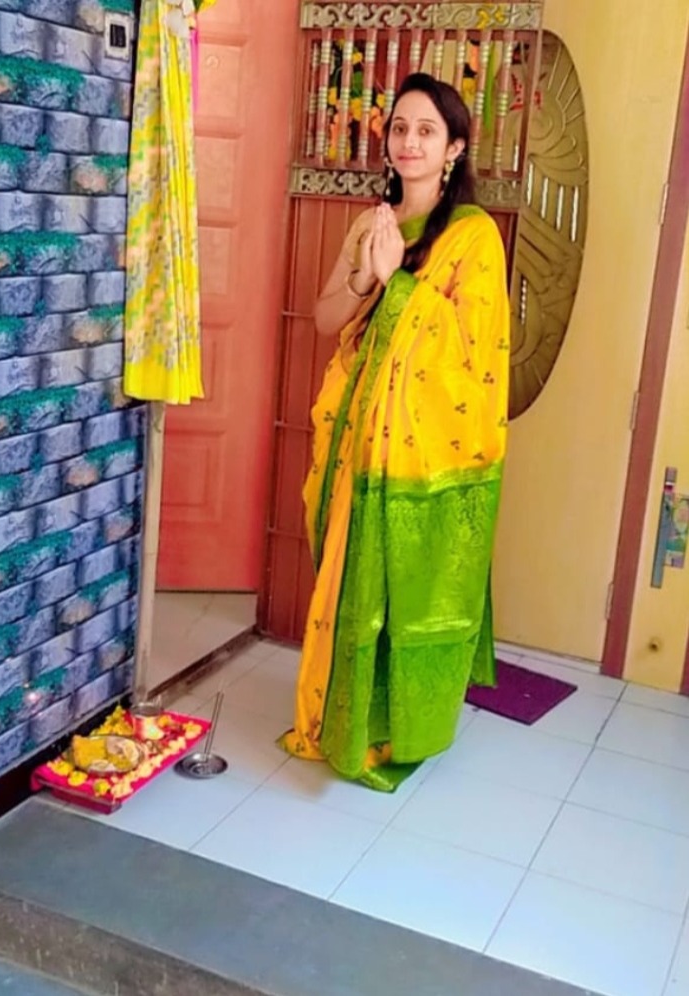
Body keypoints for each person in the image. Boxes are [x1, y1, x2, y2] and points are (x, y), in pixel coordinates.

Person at [279, 73, 510, 792]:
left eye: (426, 131)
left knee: (402, 589)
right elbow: (325, 320)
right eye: (400, 128)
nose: (409, 142)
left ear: (454, 148)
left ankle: (391, 731)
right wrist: (368, 276)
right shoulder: (370, 223)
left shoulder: (474, 238)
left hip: (419, 454)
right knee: (350, 575)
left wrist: (399, 281)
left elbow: (473, 355)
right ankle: (340, 718)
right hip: (358, 435)